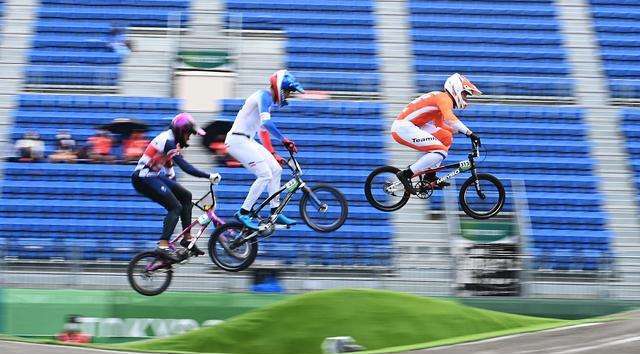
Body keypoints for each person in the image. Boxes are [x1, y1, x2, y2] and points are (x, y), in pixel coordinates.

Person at [131, 113, 221, 262]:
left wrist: (174, 185)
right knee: (175, 207)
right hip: (142, 178)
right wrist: (208, 175)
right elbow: (186, 168)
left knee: (186, 196)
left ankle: (186, 238)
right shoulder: (168, 142)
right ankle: (163, 244)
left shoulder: (171, 142)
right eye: (189, 134)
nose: (189, 138)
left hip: (152, 176)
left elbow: (168, 165)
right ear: (181, 131)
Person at [224, 69, 305, 230]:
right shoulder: (263, 96)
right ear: (280, 88)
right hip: (237, 140)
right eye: (288, 92)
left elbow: (263, 130)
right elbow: (267, 124)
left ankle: (275, 212)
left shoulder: (267, 102)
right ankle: (244, 212)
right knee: (264, 174)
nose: (288, 96)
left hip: (247, 140)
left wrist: (273, 153)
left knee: (276, 169)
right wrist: (284, 140)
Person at [393, 73, 483, 190]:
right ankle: (406, 174)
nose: (465, 98)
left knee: (445, 137)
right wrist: (469, 133)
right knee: (440, 151)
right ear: (456, 89)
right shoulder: (444, 99)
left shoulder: (441, 99)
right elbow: (450, 119)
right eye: (464, 94)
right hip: (404, 127)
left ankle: (430, 176)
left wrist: (460, 132)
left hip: (411, 126)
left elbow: (440, 125)